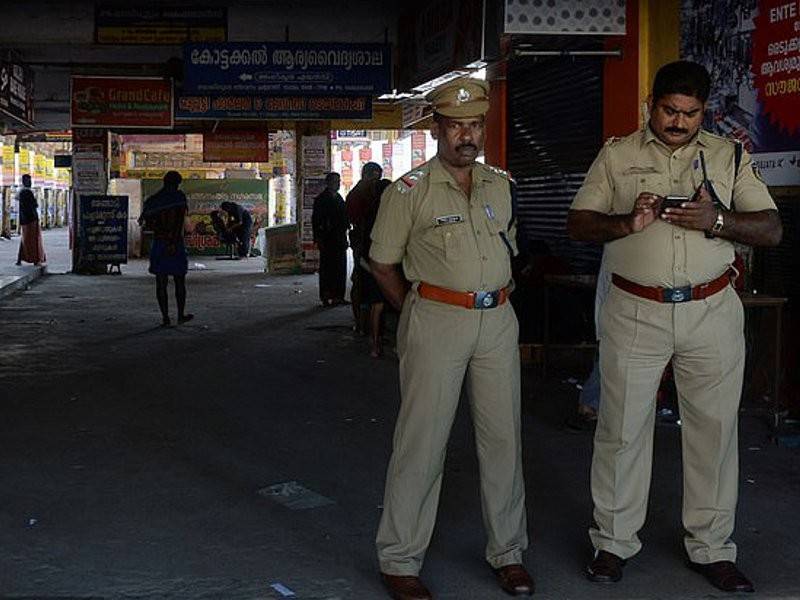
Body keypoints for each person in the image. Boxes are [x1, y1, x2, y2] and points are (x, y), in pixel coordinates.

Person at [567, 60, 782, 594]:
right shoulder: (618, 155)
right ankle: (613, 543)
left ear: (703, 111)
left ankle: (712, 548)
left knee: (714, 432)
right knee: (621, 429)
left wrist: (718, 220)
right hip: (636, 310)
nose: (679, 122)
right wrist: (627, 221)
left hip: (711, 311)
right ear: (651, 104)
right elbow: (579, 222)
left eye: (690, 113)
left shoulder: (729, 156)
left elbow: (771, 228)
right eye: (669, 110)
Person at [370, 78, 533, 600]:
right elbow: (382, 263)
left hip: (497, 319)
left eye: (476, 124)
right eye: (457, 125)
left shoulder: (499, 185)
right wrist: (418, 309)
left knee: (503, 440)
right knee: (422, 442)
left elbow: (510, 250)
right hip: (437, 319)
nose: (468, 135)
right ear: (437, 129)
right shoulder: (409, 191)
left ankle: (509, 553)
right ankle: (400, 558)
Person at [139, 171, 193, 327]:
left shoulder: (153, 200)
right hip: (176, 243)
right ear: (177, 183)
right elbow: (179, 222)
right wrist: (173, 241)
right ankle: (180, 315)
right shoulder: (179, 197)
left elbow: (145, 222)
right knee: (179, 281)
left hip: (159, 243)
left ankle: (165, 318)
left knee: (161, 282)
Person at [347, 162, 383, 332]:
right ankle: (360, 321)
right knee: (360, 280)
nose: (375, 182)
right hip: (362, 243)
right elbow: (355, 219)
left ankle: (366, 321)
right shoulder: (358, 195)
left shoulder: (373, 193)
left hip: (371, 242)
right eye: (373, 179)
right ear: (366, 175)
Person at [360, 177, 391, 357]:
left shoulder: (371, 210)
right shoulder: (385, 212)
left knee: (376, 304)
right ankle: (376, 342)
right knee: (379, 304)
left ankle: (374, 341)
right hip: (380, 263)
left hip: (369, 261)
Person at [312, 172, 348, 306]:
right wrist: (318, 238)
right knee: (327, 268)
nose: (337, 184)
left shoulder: (339, 198)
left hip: (339, 238)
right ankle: (326, 295)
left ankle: (338, 295)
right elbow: (316, 221)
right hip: (327, 238)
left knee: (340, 267)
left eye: (338, 181)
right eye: (334, 182)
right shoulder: (321, 199)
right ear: (328, 183)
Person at [15, 174, 46, 266]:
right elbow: (34, 205)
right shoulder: (28, 192)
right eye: (29, 181)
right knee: (34, 240)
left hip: (24, 220)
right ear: (25, 182)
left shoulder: (20, 192)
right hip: (32, 219)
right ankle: (35, 259)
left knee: (25, 239)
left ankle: (20, 258)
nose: (30, 183)